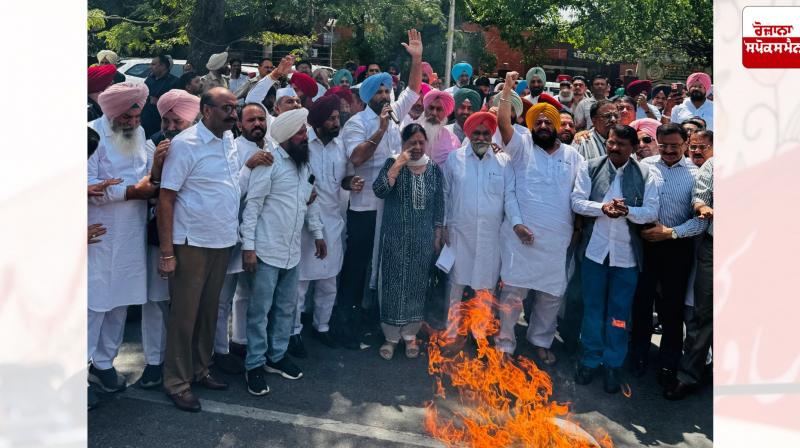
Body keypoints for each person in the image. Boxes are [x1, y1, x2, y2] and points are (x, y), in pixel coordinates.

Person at [337, 30, 424, 349]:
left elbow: (414, 90)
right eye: (381, 91)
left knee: (382, 268)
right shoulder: (357, 123)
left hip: (392, 209)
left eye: (389, 90)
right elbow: (357, 158)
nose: (387, 95)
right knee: (357, 268)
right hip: (364, 209)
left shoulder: (395, 114)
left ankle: (372, 321)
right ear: (368, 96)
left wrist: (416, 59)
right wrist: (383, 129)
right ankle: (343, 325)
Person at [157, 87, 241, 412]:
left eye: (235, 107)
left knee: (208, 313)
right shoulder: (185, 144)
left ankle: (200, 369)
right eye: (226, 108)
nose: (233, 114)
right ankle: (176, 382)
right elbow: (166, 198)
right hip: (191, 243)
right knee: (184, 316)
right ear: (206, 111)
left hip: (222, 240)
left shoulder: (229, 140)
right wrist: (167, 253)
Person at [496, 72, 584, 363]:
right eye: (538, 122)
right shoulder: (521, 147)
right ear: (531, 126)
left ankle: (540, 340)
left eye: (549, 122)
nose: (543, 125)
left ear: (557, 127)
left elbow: (577, 196)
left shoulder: (573, 156)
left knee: (550, 296)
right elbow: (503, 123)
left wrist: (576, 229)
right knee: (512, 296)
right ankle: (505, 343)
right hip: (520, 236)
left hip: (557, 239)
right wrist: (509, 88)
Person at [240, 108, 326, 395]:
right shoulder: (270, 162)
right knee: (259, 312)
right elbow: (252, 207)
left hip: (292, 252)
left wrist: (317, 234)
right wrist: (248, 248)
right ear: (288, 136)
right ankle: (254, 364)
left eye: (305, 131)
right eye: (301, 132)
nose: (306, 137)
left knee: (286, 308)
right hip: (265, 250)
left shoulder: (304, 165)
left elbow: (308, 203)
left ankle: (275, 357)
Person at [571, 124, 659, 394]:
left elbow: (651, 211)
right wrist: (603, 208)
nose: (614, 148)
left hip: (627, 258)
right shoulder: (591, 167)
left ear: (632, 148)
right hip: (595, 253)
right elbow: (576, 202)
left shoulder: (646, 173)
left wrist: (627, 211)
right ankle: (590, 359)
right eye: (611, 142)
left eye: (621, 144)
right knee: (593, 309)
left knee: (619, 315)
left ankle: (613, 363)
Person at [88, 83, 158, 396]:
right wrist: (130, 192)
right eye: (126, 118)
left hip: (132, 234)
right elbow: (86, 185)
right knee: (93, 306)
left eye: (137, 117)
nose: (132, 123)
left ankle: (103, 365)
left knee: (119, 304)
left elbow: (147, 173)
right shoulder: (90, 135)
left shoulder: (141, 134)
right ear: (111, 112)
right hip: (98, 234)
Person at [630, 124, 706, 383]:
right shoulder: (645, 166)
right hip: (644, 246)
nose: (669, 151)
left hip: (677, 247)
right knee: (641, 304)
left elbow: (700, 221)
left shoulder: (697, 174)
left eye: (675, 145)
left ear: (687, 143)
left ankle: (668, 364)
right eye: (664, 146)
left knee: (671, 310)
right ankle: (638, 355)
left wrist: (670, 232)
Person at [442, 110, 524, 345]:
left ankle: (479, 333)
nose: (480, 137)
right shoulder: (454, 158)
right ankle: (452, 331)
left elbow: (509, 197)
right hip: (459, 232)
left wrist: (517, 223)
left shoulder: (503, 161)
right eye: (476, 133)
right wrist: (444, 225)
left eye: (486, 133)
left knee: (485, 287)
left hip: (490, 236)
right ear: (468, 134)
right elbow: (446, 194)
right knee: (456, 285)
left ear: (491, 136)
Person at [138, 89, 201, 388]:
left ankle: (187, 363)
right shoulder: (152, 143)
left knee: (186, 303)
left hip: (195, 236)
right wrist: (156, 169)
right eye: (167, 120)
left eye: (179, 121)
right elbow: (147, 191)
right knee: (155, 301)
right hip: (158, 234)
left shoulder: (204, 144)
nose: (172, 127)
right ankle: (154, 362)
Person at [290, 96, 360, 355]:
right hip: (305, 221)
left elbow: (343, 179)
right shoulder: (303, 143)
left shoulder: (340, 145)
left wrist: (349, 184)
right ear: (318, 122)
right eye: (331, 118)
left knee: (329, 280)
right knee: (300, 283)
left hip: (333, 219)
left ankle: (322, 326)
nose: (336, 122)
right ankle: (293, 332)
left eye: (337, 117)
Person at [372, 124, 444, 359]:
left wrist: (437, 234)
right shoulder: (393, 163)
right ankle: (391, 337)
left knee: (417, 286)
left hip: (422, 240)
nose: (416, 147)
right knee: (393, 285)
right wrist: (398, 164)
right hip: (395, 238)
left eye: (421, 142)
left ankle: (411, 335)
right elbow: (380, 190)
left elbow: (439, 205)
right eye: (411, 142)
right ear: (403, 143)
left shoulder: (433, 169)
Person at [664, 156, 713, 400]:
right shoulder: (715, 165)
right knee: (703, 315)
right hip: (715, 247)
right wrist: (702, 207)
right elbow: (701, 194)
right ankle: (688, 376)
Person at [416, 89, 460, 165]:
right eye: (431, 108)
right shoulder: (412, 135)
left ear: (445, 113)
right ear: (425, 110)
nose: (434, 113)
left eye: (439, 109)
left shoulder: (453, 141)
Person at [141, 55, 178, 138]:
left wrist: (159, 102)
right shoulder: (150, 78)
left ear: (163, 66)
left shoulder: (174, 82)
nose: (150, 67)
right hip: (145, 119)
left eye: (153, 64)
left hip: (160, 123)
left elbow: (177, 105)